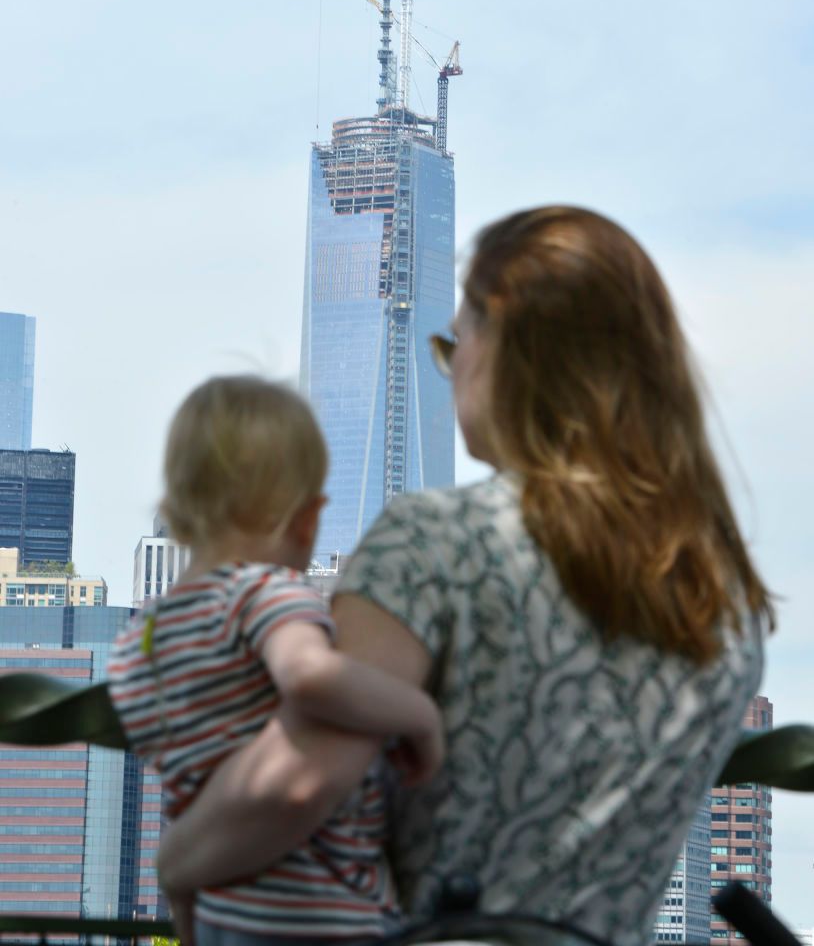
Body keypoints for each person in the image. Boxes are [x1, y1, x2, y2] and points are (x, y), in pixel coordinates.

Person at [157, 207, 773, 946]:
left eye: (456, 343)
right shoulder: (722, 597)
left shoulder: (437, 543)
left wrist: (176, 861)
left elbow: (297, 783)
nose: (448, 373)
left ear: (512, 347)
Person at [107, 376, 443, 946]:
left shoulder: (139, 644)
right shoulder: (263, 593)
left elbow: (183, 807)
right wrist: (419, 715)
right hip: (324, 909)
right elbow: (310, 677)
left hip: (219, 912)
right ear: (307, 518)